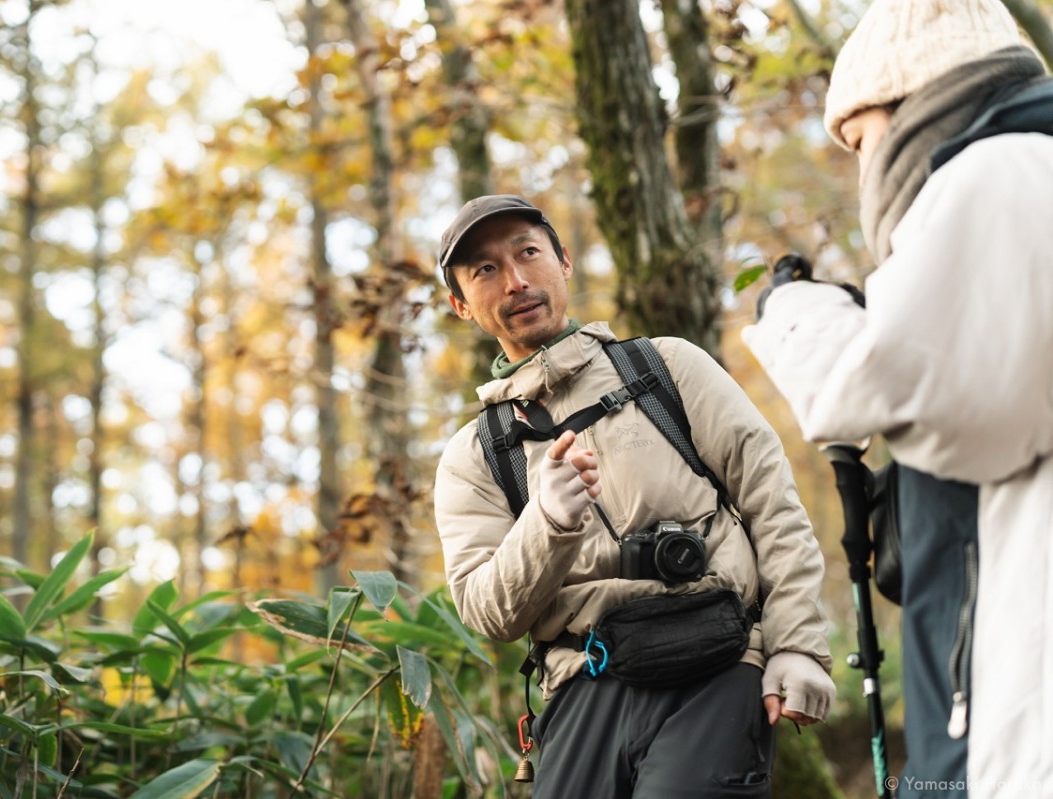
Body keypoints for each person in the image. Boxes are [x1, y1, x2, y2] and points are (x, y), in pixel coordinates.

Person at [742, 1, 1053, 797]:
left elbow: (894, 384)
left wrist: (797, 313)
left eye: (859, 136)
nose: (860, 166)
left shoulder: (1004, 168)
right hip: (984, 699)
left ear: (913, 100)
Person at [432, 194, 836, 798]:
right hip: (581, 684)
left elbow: (771, 504)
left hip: (718, 662)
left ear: (563, 260)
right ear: (461, 304)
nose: (516, 281)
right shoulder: (476, 455)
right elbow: (488, 612)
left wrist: (799, 646)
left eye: (528, 253)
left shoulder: (667, 368)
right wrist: (547, 522)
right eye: (486, 270)